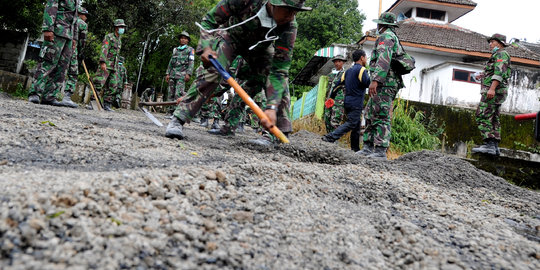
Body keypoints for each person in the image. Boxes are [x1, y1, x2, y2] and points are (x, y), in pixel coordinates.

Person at [165, 0, 312, 147]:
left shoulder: (289, 26)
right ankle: (178, 119)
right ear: (273, 3)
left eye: (295, 11)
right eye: (287, 10)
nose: (291, 15)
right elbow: (209, 20)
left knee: (278, 79)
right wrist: (206, 46)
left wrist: (271, 107)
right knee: (214, 71)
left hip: (260, 49)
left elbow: (279, 70)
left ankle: (276, 134)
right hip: (231, 37)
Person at [357, 12, 405, 160]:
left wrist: (376, 80)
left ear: (381, 24)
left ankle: (380, 150)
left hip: (385, 83)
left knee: (381, 114)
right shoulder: (389, 36)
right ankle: (368, 147)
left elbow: (384, 60)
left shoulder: (386, 37)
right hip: (384, 82)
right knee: (370, 112)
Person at [28, 0, 79, 107]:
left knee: (62, 67)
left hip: (68, 35)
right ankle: (35, 93)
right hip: (56, 31)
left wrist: (74, 38)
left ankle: (50, 96)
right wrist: (48, 28)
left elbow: (74, 18)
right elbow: (51, 6)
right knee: (47, 62)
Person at [322, 50, 370, 152]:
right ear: (362, 58)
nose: (366, 59)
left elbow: (337, 85)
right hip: (356, 102)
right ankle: (330, 137)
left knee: (356, 126)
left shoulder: (348, 71)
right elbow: (367, 83)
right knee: (351, 123)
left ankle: (355, 149)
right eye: (366, 57)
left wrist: (331, 97)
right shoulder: (362, 70)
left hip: (347, 102)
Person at [472, 34, 511, 155]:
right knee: (493, 118)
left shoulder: (501, 54)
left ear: (499, 43)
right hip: (497, 91)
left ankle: (489, 144)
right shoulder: (497, 55)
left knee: (482, 115)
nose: (490, 44)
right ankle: (493, 147)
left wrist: (492, 89)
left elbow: (499, 73)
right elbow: (494, 71)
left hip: (494, 91)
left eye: (492, 42)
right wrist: (482, 75)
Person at [93, 19, 126, 111]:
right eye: (121, 27)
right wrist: (102, 62)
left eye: (123, 27)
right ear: (116, 28)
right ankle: (93, 102)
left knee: (113, 86)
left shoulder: (119, 40)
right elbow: (105, 49)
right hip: (107, 64)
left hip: (114, 66)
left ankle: (107, 104)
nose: (122, 29)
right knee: (99, 83)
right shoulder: (109, 37)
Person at [62, 6, 88, 108]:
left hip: (61, 47)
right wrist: (81, 52)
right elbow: (82, 40)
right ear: (81, 14)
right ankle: (67, 97)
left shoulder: (69, 19)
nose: (86, 17)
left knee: (59, 70)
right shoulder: (82, 24)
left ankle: (50, 94)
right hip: (72, 49)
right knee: (73, 73)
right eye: (85, 15)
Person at [165, 31, 195, 116]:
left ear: (188, 40)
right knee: (170, 93)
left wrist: (188, 74)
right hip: (173, 74)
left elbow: (191, 62)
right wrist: (167, 73)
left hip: (182, 75)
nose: (183, 40)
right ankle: (169, 111)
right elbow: (171, 62)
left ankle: (176, 112)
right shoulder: (175, 50)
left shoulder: (190, 50)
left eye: (185, 38)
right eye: (181, 38)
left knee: (178, 94)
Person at [323, 55, 347, 133]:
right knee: (327, 118)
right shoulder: (331, 74)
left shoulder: (345, 74)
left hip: (339, 100)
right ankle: (329, 135)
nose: (337, 63)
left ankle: (334, 138)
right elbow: (328, 88)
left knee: (335, 119)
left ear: (343, 63)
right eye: (335, 61)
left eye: (339, 61)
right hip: (329, 99)